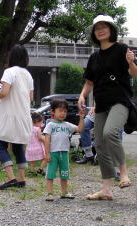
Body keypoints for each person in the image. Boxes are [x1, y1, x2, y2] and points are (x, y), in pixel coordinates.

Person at [78, 15, 137, 200]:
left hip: (120, 100)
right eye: (97, 28)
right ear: (94, 34)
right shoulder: (94, 56)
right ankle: (106, 189)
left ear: (111, 29)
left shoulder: (121, 49)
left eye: (104, 26)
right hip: (101, 104)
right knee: (100, 143)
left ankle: (124, 173)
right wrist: (82, 95)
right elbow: (89, 82)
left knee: (109, 133)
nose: (100, 30)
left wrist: (131, 62)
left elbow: (134, 74)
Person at [0, 44, 34, 190]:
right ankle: (22, 179)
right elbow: (31, 97)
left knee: (1, 146)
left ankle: (11, 178)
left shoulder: (9, 72)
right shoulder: (28, 75)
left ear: (11, 57)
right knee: (18, 146)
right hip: (24, 116)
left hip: (9, 115)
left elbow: (4, 92)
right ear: (25, 58)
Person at [43, 99, 85, 201]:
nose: (63, 113)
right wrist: (47, 153)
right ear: (53, 112)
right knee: (50, 174)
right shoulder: (50, 125)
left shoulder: (67, 125)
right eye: (60, 110)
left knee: (64, 174)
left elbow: (80, 129)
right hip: (53, 153)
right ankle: (49, 193)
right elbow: (47, 140)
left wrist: (81, 118)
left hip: (64, 153)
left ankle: (65, 192)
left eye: (65, 111)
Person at [25, 112, 46, 176]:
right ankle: (40, 169)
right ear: (37, 122)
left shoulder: (28, 128)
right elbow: (40, 138)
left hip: (29, 148)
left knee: (32, 161)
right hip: (37, 148)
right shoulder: (38, 129)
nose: (41, 124)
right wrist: (45, 140)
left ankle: (31, 172)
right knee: (45, 158)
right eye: (41, 123)